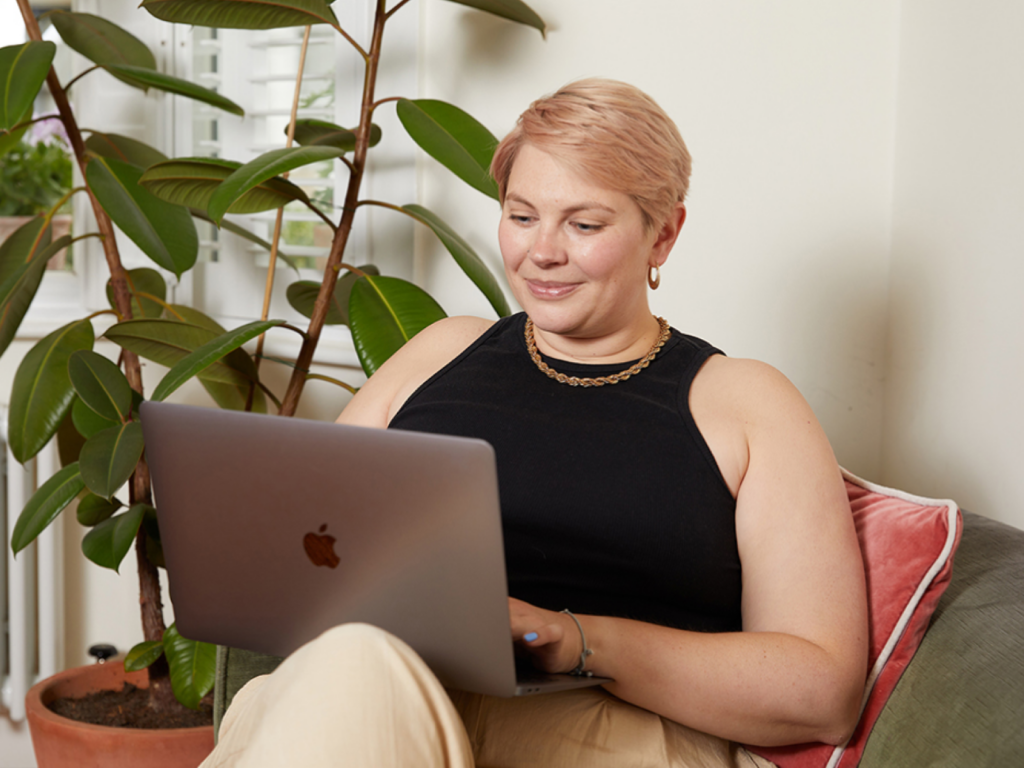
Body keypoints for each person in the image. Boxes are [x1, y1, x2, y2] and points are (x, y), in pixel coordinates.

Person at [202, 79, 868, 768]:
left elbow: (822, 689)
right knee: (351, 663)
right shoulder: (440, 350)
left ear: (663, 233)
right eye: (521, 217)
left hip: (605, 732)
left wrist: (569, 638)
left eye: (583, 225)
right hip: (376, 693)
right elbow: (303, 543)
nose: (541, 253)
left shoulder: (743, 402)